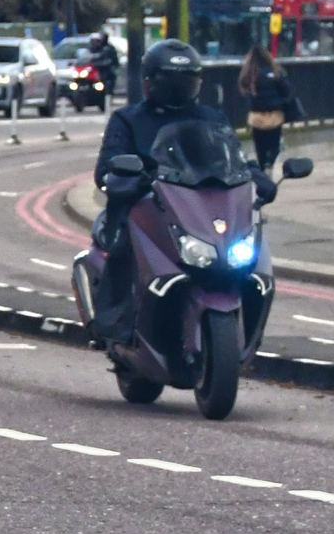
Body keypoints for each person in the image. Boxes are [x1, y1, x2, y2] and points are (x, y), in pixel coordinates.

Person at [89, 39, 237, 345]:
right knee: (124, 250)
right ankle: (117, 323)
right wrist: (126, 178)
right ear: (150, 82)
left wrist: (255, 177)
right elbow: (106, 168)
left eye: (186, 80)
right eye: (170, 80)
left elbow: (235, 159)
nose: (178, 88)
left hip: (200, 206)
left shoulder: (212, 119)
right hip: (147, 206)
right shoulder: (128, 120)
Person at [238, 40, 296, 174]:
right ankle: (270, 163)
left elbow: (244, 92)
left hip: (257, 116)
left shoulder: (249, 74)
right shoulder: (276, 72)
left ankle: (263, 165)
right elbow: (287, 90)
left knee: (260, 146)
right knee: (274, 143)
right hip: (274, 115)